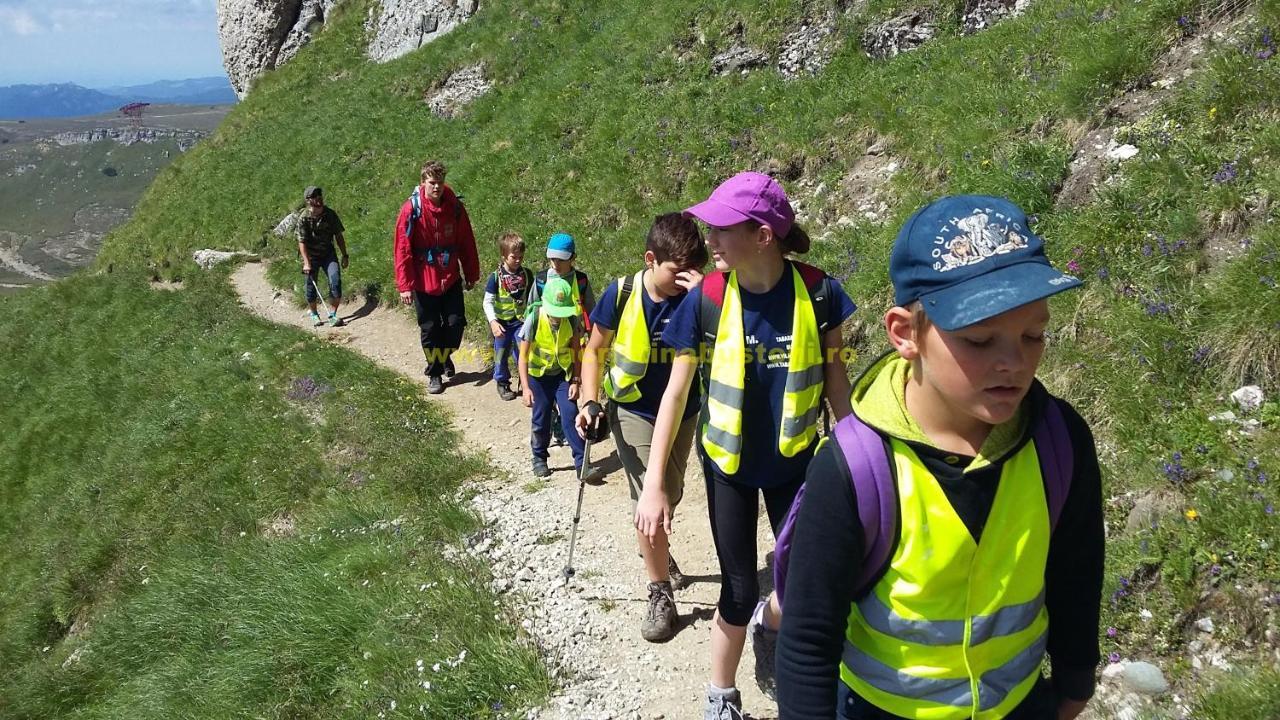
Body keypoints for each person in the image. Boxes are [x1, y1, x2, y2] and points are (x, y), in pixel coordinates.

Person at [775, 195, 1104, 720]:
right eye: (978, 339)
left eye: (1034, 334)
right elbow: (809, 639)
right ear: (906, 334)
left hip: (1019, 705)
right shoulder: (856, 466)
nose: (1014, 362)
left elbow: (1076, 571)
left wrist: (1075, 681)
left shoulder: (1060, 441)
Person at [635, 172, 858, 719]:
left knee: (801, 580)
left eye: (720, 229)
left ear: (762, 235)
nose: (707, 239)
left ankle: (775, 628)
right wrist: (656, 484)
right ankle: (721, 695)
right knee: (736, 588)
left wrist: (860, 458)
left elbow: (836, 380)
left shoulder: (821, 292)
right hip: (729, 468)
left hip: (796, 465)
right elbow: (676, 392)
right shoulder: (707, 297)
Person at [575, 212, 708, 643]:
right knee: (650, 496)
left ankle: (655, 549)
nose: (684, 278)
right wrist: (589, 399)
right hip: (632, 409)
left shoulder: (698, 295)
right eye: (676, 270)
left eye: (693, 270)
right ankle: (659, 591)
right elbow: (594, 350)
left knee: (671, 492)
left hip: (686, 410)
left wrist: (707, 297)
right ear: (651, 259)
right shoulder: (622, 293)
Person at [394, 160, 480, 394]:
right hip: (424, 281)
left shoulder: (455, 208)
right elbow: (402, 249)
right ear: (423, 183)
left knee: (455, 325)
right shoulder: (411, 211)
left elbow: (466, 242)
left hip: (450, 278)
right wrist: (405, 285)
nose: (437, 188)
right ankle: (434, 373)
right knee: (430, 329)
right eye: (432, 183)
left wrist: (471, 272)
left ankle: (444, 356)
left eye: (440, 183)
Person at [517, 276, 586, 479]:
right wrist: (526, 388)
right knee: (542, 417)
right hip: (538, 377)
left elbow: (576, 352)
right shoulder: (535, 318)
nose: (558, 316)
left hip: (562, 376)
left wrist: (576, 380)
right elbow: (523, 357)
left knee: (570, 412)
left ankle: (582, 462)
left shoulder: (571, 319)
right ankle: (539, 458)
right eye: (555, 312)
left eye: (561, 312)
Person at [530, 232, 595, 444]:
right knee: (547, 398)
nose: (555, 264)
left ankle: (566, 426)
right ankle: (553, 423)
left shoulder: (581, 281)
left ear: (572, 258)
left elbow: (591, 311)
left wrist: (591, 336)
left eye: (561, 259)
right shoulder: (541, 280)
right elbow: (531, 311)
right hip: (546, 345)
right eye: (552, 258)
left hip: (574, 343)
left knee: (569, 393)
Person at [483, 232, 533, 401]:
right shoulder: (495, 277)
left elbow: (533, 297)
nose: (518, 260)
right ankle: (502, 382)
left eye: (521, 257)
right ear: (503, 255)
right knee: (501, 353)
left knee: (523, 352)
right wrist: (493, 322)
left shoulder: (527, 275)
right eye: (513, 257)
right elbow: (487, 302)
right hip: (502, 323)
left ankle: (526, 382)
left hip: (521, 322)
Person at [297, 185, 349, 327]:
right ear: (308, 200)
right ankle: (314, 314)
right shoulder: (303, 219)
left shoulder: (330, 214)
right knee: (310, 286)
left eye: (319, 195)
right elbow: (301, 242)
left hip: (328, 254)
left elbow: (338, 235)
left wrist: (345, 255)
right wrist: (306, 262)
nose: (318, 198)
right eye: (314, 196)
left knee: (335, 280)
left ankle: (332, 314)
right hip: (312, 256)